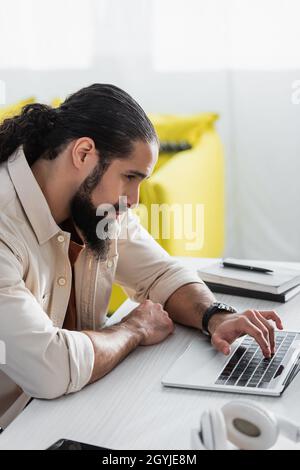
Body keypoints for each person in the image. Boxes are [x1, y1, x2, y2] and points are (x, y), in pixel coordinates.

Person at [0, 84, 282, 410]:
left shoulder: (94, 207)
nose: (133, 201)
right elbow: (49, 368)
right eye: (129, 177)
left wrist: (215, 316)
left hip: (71, 405)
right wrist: (133, 328)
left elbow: (161, 274)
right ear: (83, 153)